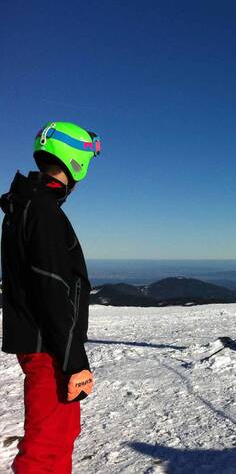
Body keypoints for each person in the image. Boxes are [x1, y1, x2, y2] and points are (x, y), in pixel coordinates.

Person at [1, 122, 101, 473]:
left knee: (60, 433)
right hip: (49, 348)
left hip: (42, 342)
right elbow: (53, 289)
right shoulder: (43, 212)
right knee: (46, 448)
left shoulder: (26, 207)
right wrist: (74, 360)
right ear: (77, 162)